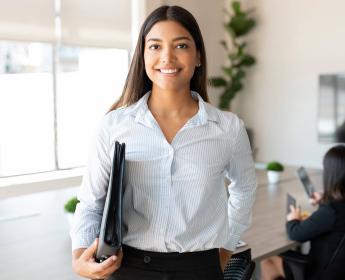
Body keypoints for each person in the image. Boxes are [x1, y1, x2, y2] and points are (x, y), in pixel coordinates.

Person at [70, 5, 257, 280]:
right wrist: (80, 258)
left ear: (198, 56)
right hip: (128, 269)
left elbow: (245, 190)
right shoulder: (113, 126)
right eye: (155, 46)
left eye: (181, 45)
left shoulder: (227, 128)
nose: (167, 57)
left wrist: (225, 249)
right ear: (143, 56)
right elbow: (91, 203)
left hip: (200, 269)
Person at [261, 145, 345, 280]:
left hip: (321, 272)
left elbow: (295, 233)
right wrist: (323, 200)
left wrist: (292, 219)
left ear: (331, 174)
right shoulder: (334, 208)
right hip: (338, 270)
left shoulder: (331, 212)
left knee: (268, 261)